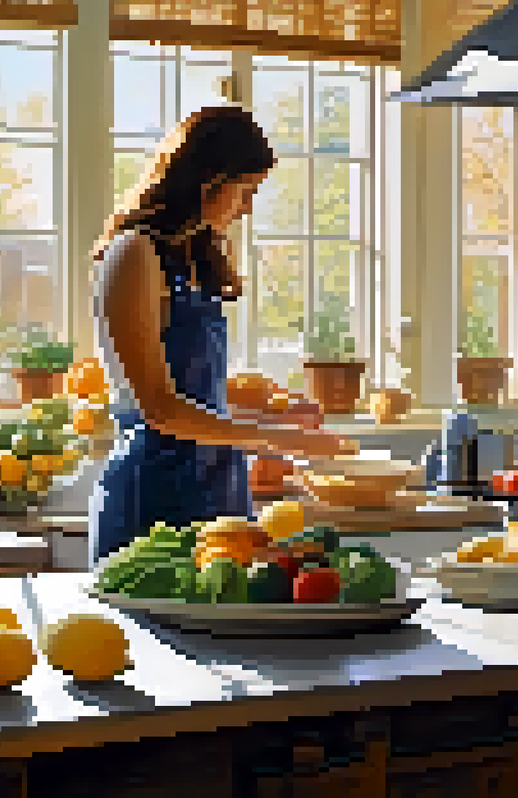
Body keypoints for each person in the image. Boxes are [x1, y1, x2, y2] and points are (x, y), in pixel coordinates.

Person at [89, 105, 358, 563]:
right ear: (209, 180)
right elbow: (160, 410)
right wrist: (284, 441)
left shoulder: (192, 260)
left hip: (219, 495)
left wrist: (281, 424)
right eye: (245, 190)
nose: (247, 207)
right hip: (153, 495)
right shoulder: (134, 254)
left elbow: (199, 402)